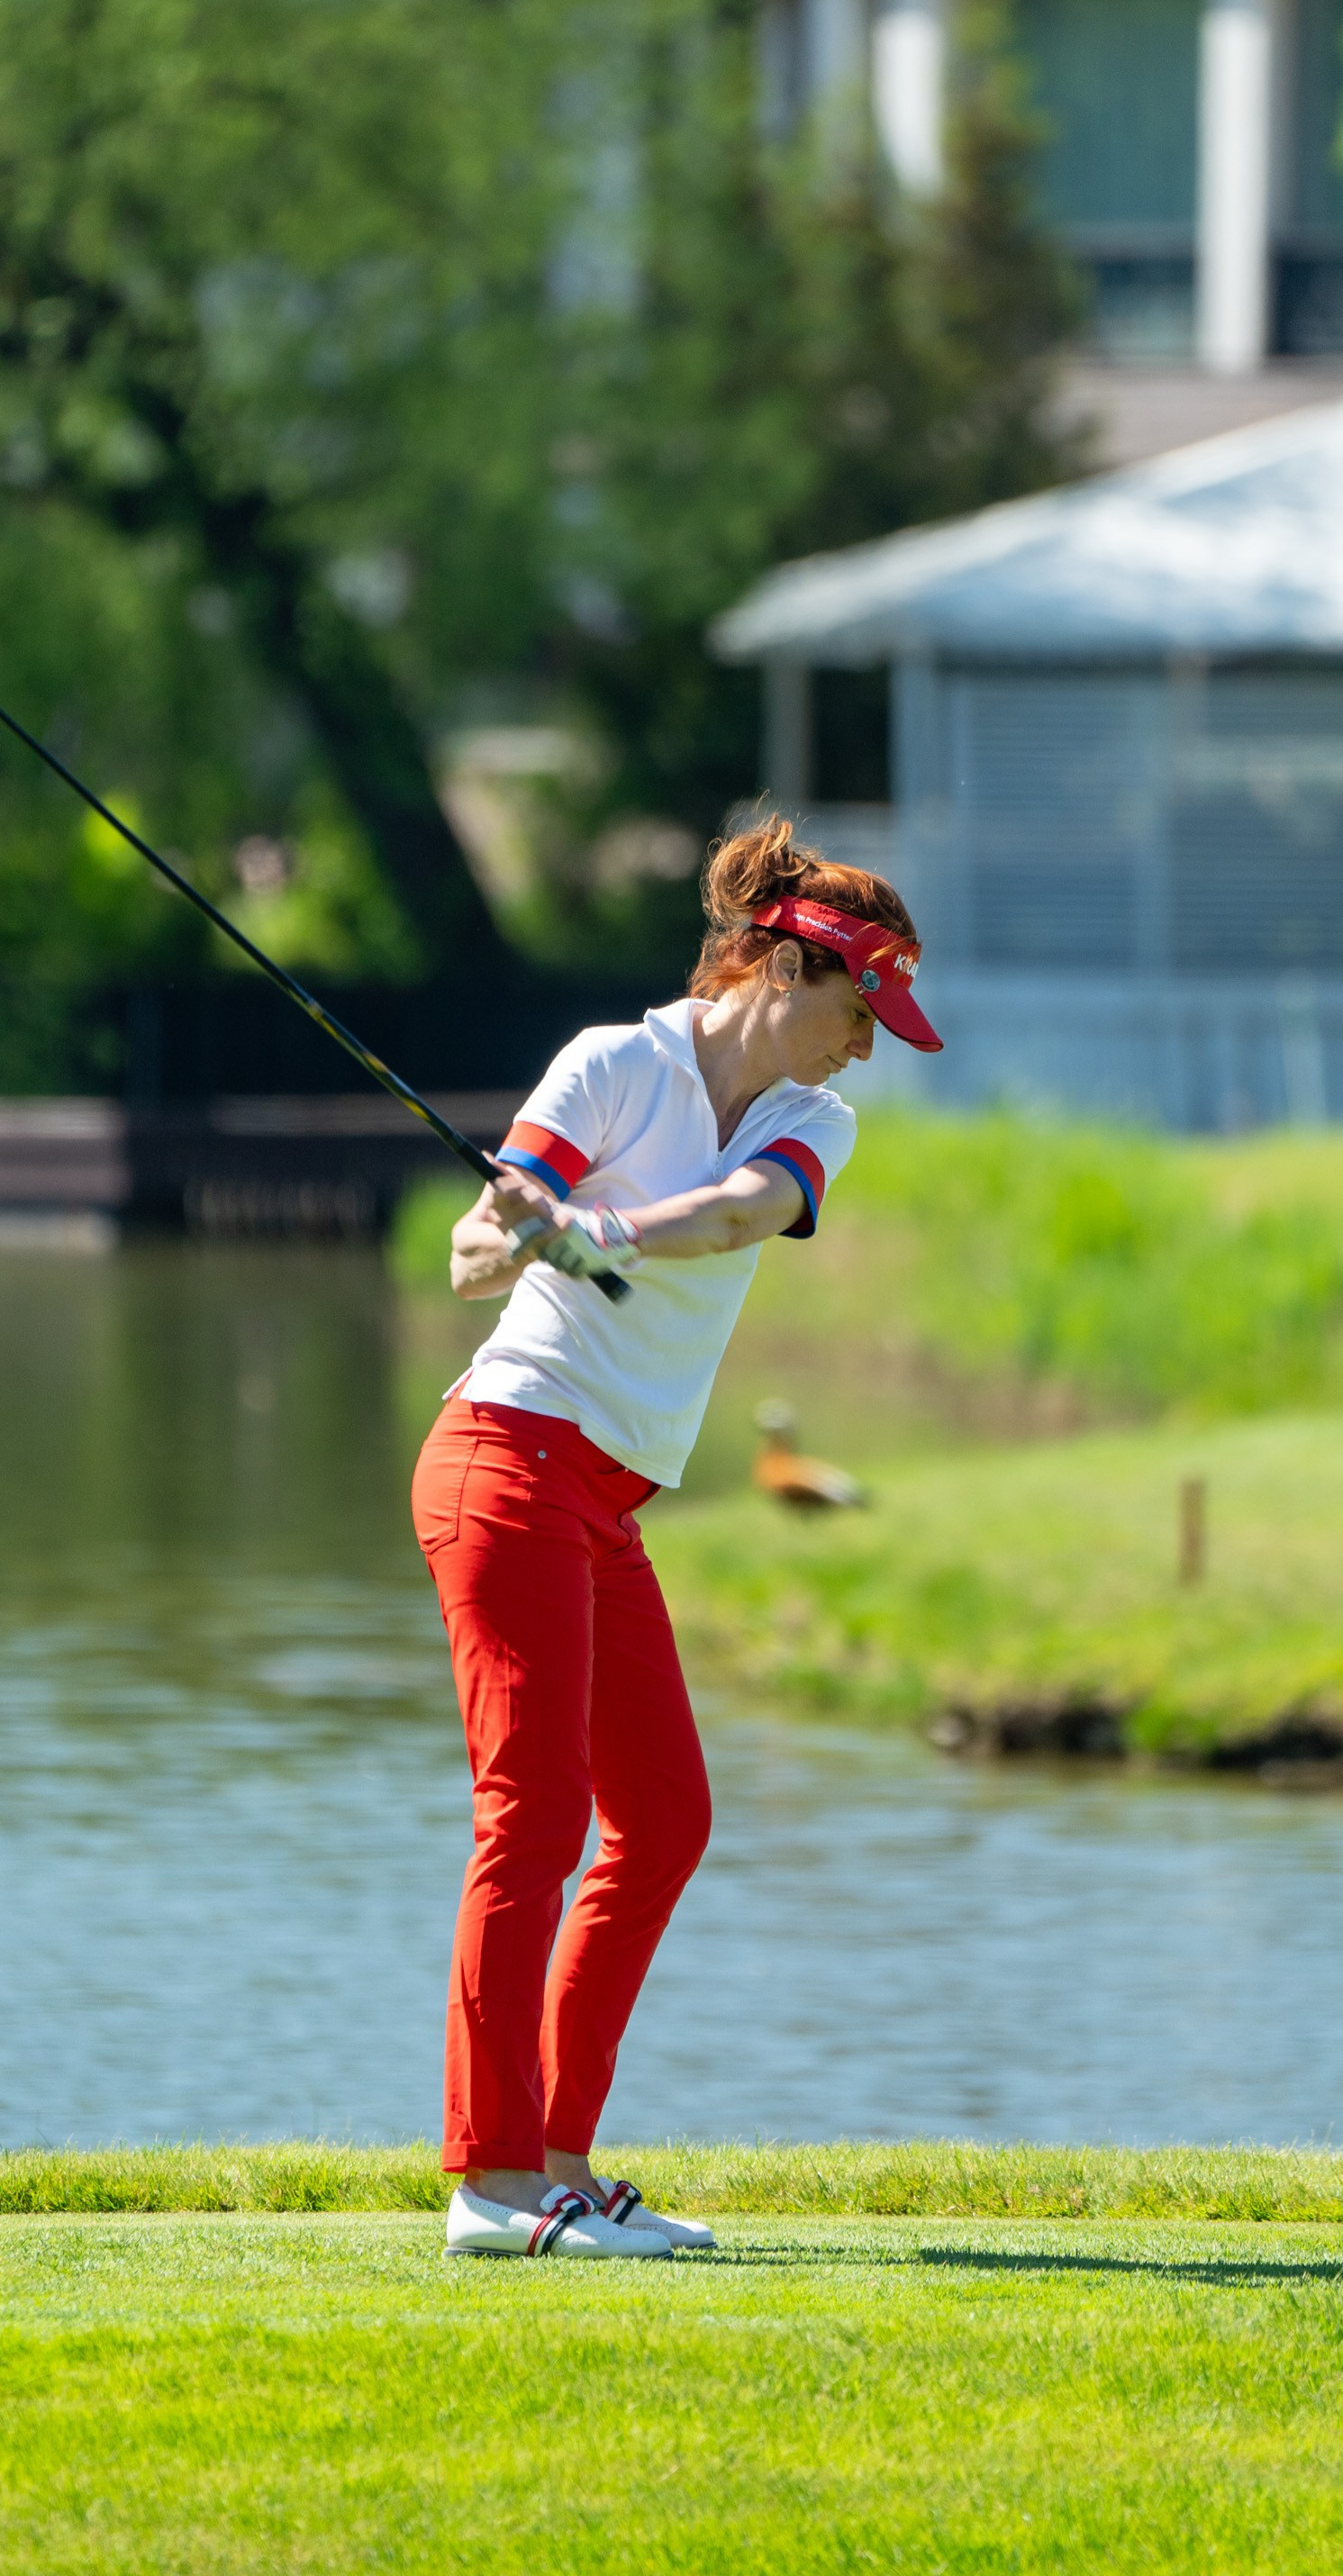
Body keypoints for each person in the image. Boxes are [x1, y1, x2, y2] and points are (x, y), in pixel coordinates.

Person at [414, 817, 939, 2259]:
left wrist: (609, 1230)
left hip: (602, 1497)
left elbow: (731, 1215)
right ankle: (490, 2185)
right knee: (534, 1814)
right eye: (860, 1013)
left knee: (663, 1818)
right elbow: (467, 1258)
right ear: (785, 967)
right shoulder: (609, 1065)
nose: (867, 1048)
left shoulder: (809, 1120)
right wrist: (525, 1225)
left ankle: (560, 2161)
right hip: (506, 1456)